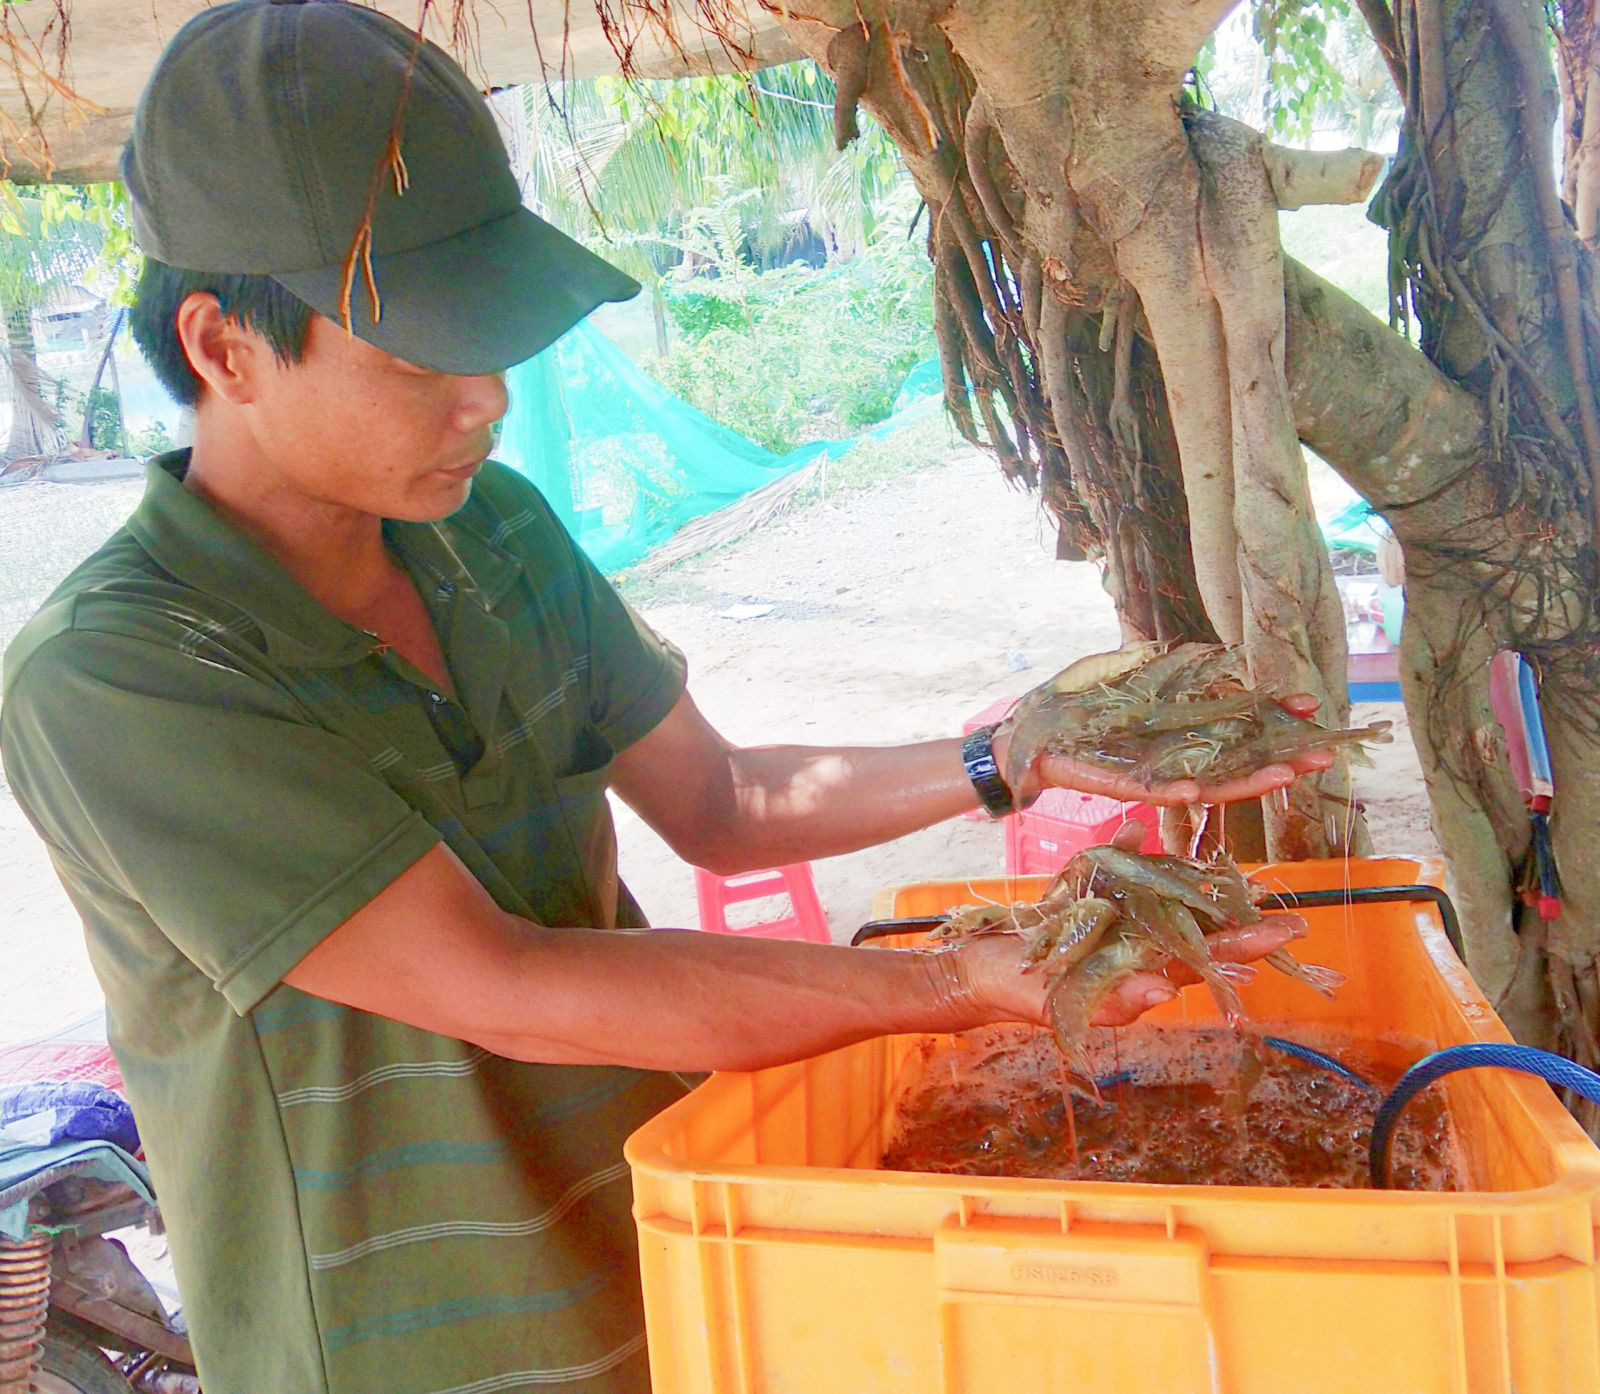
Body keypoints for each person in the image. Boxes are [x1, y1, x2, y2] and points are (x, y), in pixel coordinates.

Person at [0, 4, 1329, 1391]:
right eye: (425, 356)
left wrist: (1013, 754)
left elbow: (725, 801)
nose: (488, 403)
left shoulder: (493, 534)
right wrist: (946, 980)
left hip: (659, 1262)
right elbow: (500, 982)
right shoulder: (120, 674)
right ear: (223, 348)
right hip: (402, 1348)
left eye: (495, 342)